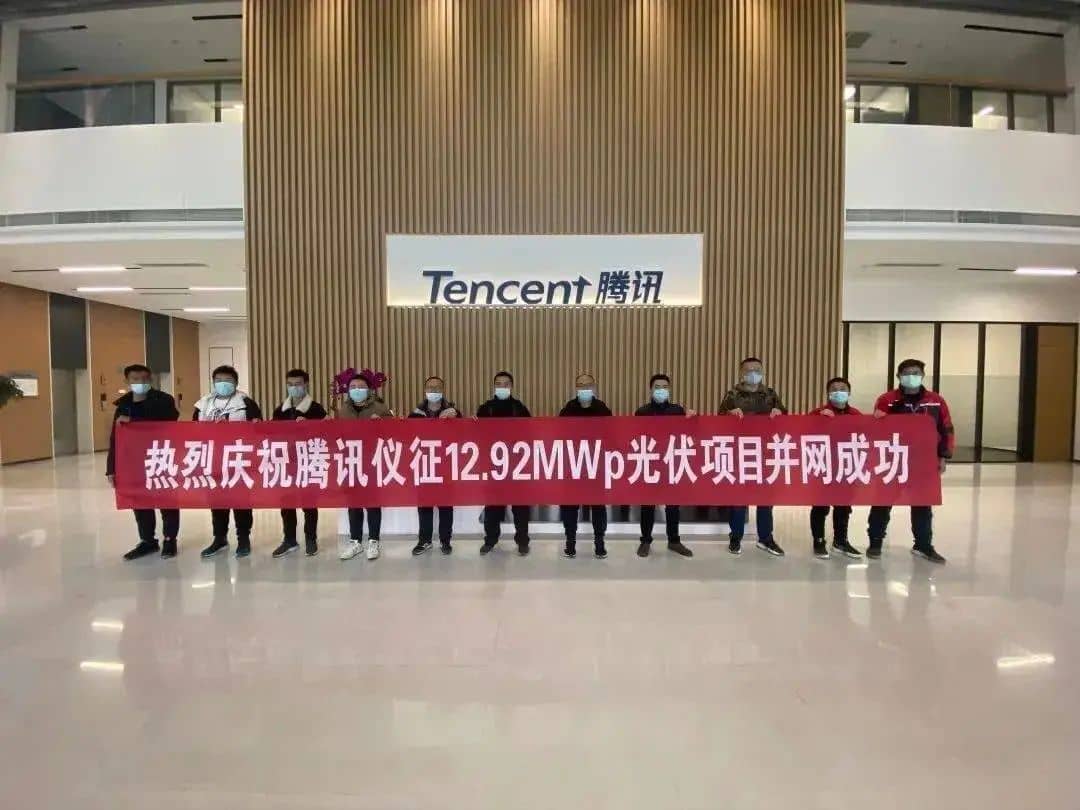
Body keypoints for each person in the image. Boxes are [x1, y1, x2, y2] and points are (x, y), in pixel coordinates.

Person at [868, 359, 953, 565]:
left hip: (923, 461)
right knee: (882, 501)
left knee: (922, 504)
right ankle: (875, 541)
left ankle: (923, 545)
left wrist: (943, 456)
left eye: (916, 373)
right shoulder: (887, 400)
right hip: (893, 459)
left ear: (922, 375)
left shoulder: (936, 401)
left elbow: (946, 428)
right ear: (899, 376)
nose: (911, 377)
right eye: (907, 373)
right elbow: (877, 429)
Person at [107, 364, 181, 560]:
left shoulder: (164, 400)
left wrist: (134, 421)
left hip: (161, 457)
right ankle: (147, 540)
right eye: (135, 379)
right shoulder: (123, 404)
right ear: (127, 381)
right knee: (140, 501)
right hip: (133, 462)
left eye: (144, 379)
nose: (140, 382)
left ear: (151, 380)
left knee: (166, 500)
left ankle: (169, 539)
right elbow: (115, 438)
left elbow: (168, 422)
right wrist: (111, 468)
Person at [719, 357, 787, 557]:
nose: (753, 373)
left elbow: (785, 418)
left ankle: (765, 538)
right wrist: (729, 414)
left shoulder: (770, 394)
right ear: (741, 373)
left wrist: (780, 413)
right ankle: (735, 537)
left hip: (765, 453)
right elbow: (718, 420)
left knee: (765, 499)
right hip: (740, 453)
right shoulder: (732, 395)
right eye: (749, 370)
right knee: (738, 499)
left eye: (757, 370)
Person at [194, 365, 263, 559]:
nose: (223, 384)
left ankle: (243, 539)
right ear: (213, 382)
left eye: (228, 380)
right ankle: (219, 538)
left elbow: (258, 430)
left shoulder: (246, 403)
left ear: (236, 383)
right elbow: (193, 431)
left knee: (241, 501)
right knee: (217, 501)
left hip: (239, 459)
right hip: (214, 459)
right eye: (219, 381)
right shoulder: (203, 404)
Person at [634, 374, 694, 558]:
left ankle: (674, 541)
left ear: (669, 389)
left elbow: (690, 433)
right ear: (651, 390)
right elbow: (635, 436)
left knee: (673, 505)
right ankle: (645, 541)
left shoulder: (678, 411)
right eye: (657, 387)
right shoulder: (642, 412)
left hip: (671, 462)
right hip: (650, 462)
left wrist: (693, 418)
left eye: (665, 387)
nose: (661, 390)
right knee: (647, 505)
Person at [335, 370, 393, 561]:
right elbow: (335, 435)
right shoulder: (342, 410)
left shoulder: (380, 408)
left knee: (373, 503)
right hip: (350, 462)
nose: (357, 390)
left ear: (369, 390)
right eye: (353, 387)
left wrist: (382, 424)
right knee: (354, 504)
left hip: (372, 461)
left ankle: (374, 541)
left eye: (361, 387)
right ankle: (355, 541)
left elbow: (393, 432)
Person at [271, 368, 328, 558]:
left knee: (309, 503)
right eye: (290, 384)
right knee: (286, 502)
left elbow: (327, 433)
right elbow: (272, 433)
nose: (294, 388)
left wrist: (310, 425)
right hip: (287, 461)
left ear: (306, 385)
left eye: (298, 384)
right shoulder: (280, 409)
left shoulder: (316, 409)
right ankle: (289, 540)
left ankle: (311, 539)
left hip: (309, 461)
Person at [476, 371, 532, 556]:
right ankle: (490, 540)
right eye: (498, 384)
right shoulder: (486, 409)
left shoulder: (519, 408)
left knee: (521, 508)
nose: (502, 387)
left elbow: (529, 433)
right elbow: (477, 434)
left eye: (506, 384)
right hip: (494, 466)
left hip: (517, 466)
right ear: (494, 386)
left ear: (511, 386)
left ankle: (522, 542)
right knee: (492, 507)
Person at [807, 377, 863, 559]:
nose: (839, 392)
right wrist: (820, 422)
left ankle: (841, 541)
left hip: (846, 467)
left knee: (843, 506)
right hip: (823, 466)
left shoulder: (856, 415)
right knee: (820, 506)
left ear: (849, 392)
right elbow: (804, 434)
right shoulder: (818, 413)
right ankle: (819, 541)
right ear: (828, 393)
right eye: (834, 389)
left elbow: (867, 435)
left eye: (842, 388)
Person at [558, 373, 612, 559]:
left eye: (588, 385)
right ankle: (570, 542)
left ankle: (599, 542)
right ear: (576, 388)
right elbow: (559, 434)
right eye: (580, 385)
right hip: (573, 465)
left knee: (598, 507)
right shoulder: (568, 409)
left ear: (594, 387)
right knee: (569, 506)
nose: (584, 388)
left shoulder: (602, 409)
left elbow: (611, 434)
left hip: (596, 465)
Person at [408, 375, 460, 555]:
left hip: (446, 466)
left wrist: (456, 420)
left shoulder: (454, 413)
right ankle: (424, 540)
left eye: (437, 387)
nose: (434, 390)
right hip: (424, 465)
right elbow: (408, 438)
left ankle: (446, 541)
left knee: (446, 506)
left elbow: (463, 436)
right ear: (425, 390)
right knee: (424, 505)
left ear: (443, 390)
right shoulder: (415, 414)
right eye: (430, 387)